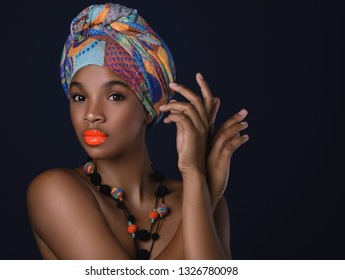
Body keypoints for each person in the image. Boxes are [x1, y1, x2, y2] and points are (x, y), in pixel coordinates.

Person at [27, 2, 249, 260]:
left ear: (148, 108)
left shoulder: (199, 192)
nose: (91, 114)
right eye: (79, 97)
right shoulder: (55, 192)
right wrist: (205, 195)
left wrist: (197, 180)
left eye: (114, 96)